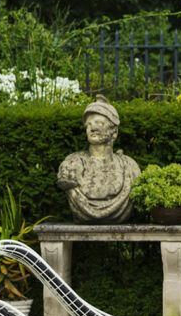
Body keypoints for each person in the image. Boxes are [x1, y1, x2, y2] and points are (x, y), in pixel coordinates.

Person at [57, 95, 140, 223]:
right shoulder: (72, 164)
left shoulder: (129, 166)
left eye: (99, 123)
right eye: (88, 125)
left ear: (114, 132)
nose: (93, 128)